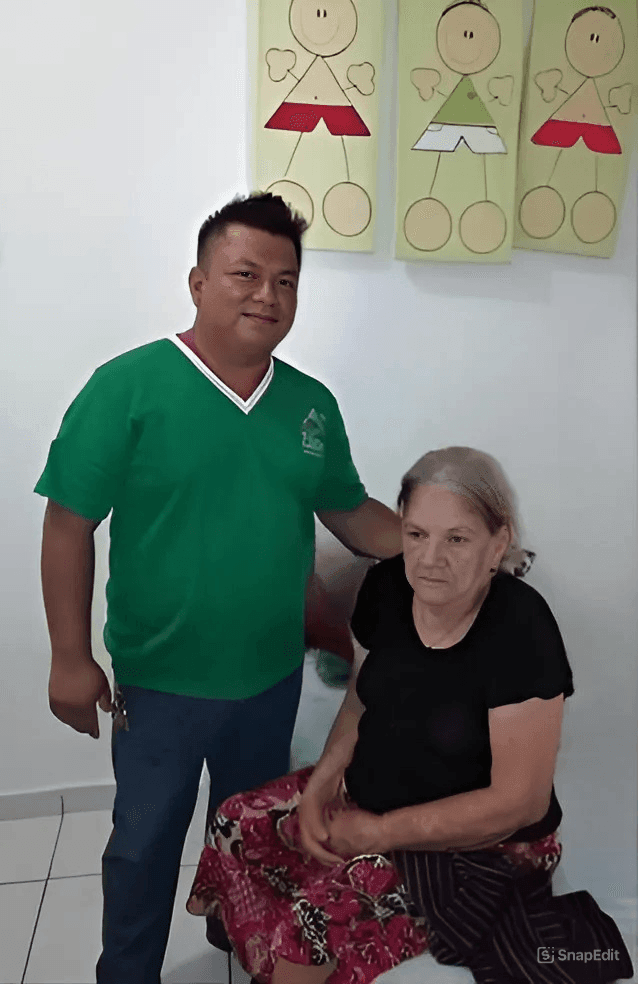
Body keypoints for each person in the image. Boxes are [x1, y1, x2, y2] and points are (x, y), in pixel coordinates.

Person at [34, 193, 403, 984]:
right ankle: (127, 971)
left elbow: (346, 508)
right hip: (162, 681)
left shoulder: (310, 405)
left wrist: (436, 544)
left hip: (270, 676)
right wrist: (70, 657)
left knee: (250, 833)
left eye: (286, 280)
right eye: (245, 273)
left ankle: (243, 944)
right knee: (145, 842)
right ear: (198, 282)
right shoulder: (127, 388)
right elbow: (68, 524)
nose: (266, 294)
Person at [186, 447, 634, 984]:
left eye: (457, 539)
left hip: (484, 843)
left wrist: (379, 834)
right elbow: (360, 698)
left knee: (315, 916)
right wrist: (323, 783)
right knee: (235, 820)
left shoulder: (521, 627)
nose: (429, 559)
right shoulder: (388, 588)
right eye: (417, 534)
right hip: (369, 800)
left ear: (499, 542)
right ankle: (261, 950)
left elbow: (520, 801)